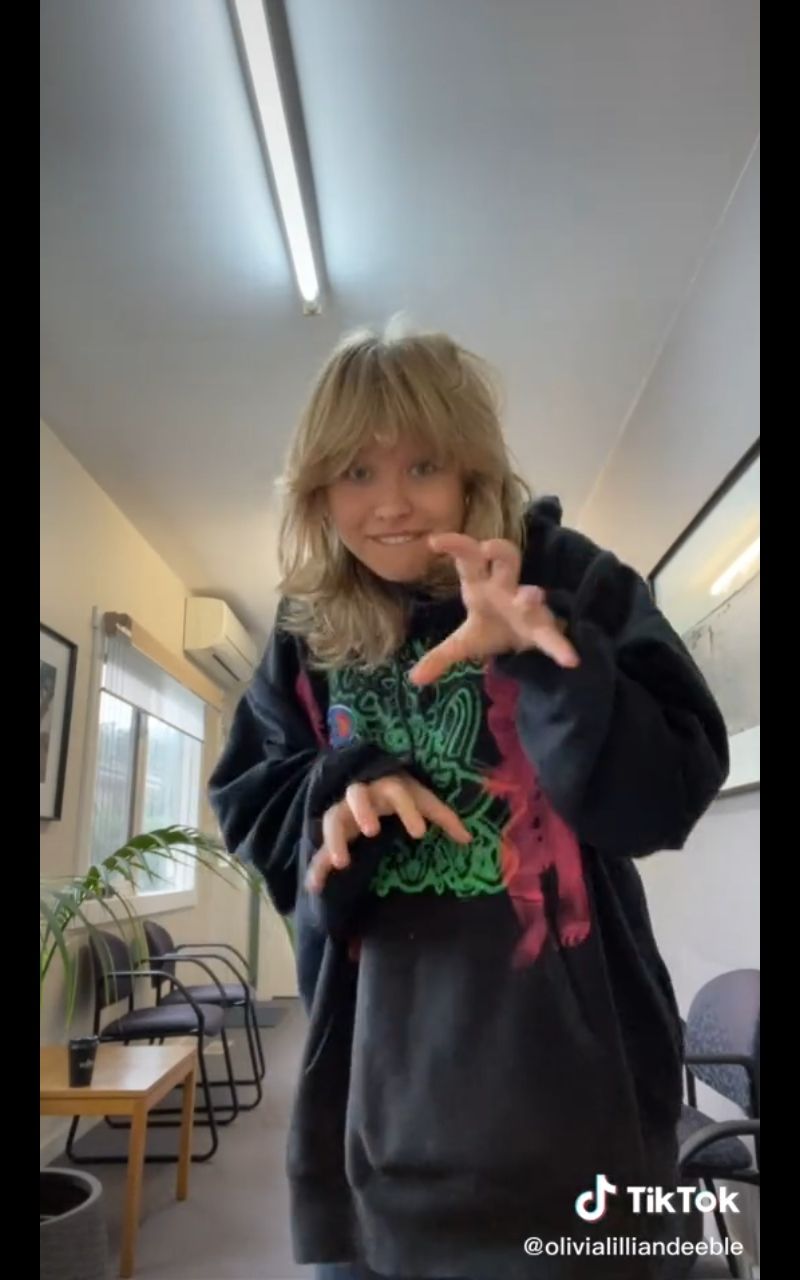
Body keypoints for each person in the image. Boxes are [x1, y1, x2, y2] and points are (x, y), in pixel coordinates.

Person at [209, 323, 728, 1280]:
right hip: (375, 1124)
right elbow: (255, 806)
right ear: (318, 489)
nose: (391, 503)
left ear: (471, 470)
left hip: (586, 1122)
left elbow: (669, 797)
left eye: (423, 465)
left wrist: (552, 660)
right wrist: (342, 789)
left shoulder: (567, 575)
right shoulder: (304, 632)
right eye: (356, 472)